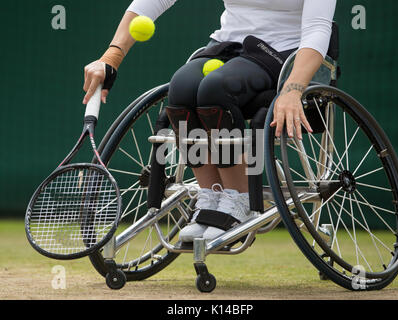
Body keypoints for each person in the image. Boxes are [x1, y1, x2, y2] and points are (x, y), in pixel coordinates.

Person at [82, 0, 337, 242]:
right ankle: (211, 197)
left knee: (215, 90)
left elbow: (318, 28)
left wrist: (293, 88)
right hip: (227, 48)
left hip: (284, 57)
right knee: (180, 89)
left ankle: (239, 198)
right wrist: (111, 57)